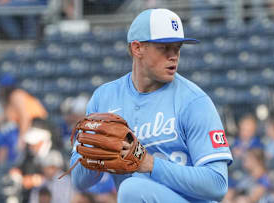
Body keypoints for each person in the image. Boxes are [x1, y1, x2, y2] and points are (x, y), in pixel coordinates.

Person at [70, 8, 233, 203]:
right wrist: (95, 154)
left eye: (177, 48)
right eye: (164, 48)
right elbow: (79, 181)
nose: (173, 56)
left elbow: (217, 184)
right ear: (137, 48)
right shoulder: (104, 99)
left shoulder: (194, 101)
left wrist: (150, 164)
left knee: (133, 189)